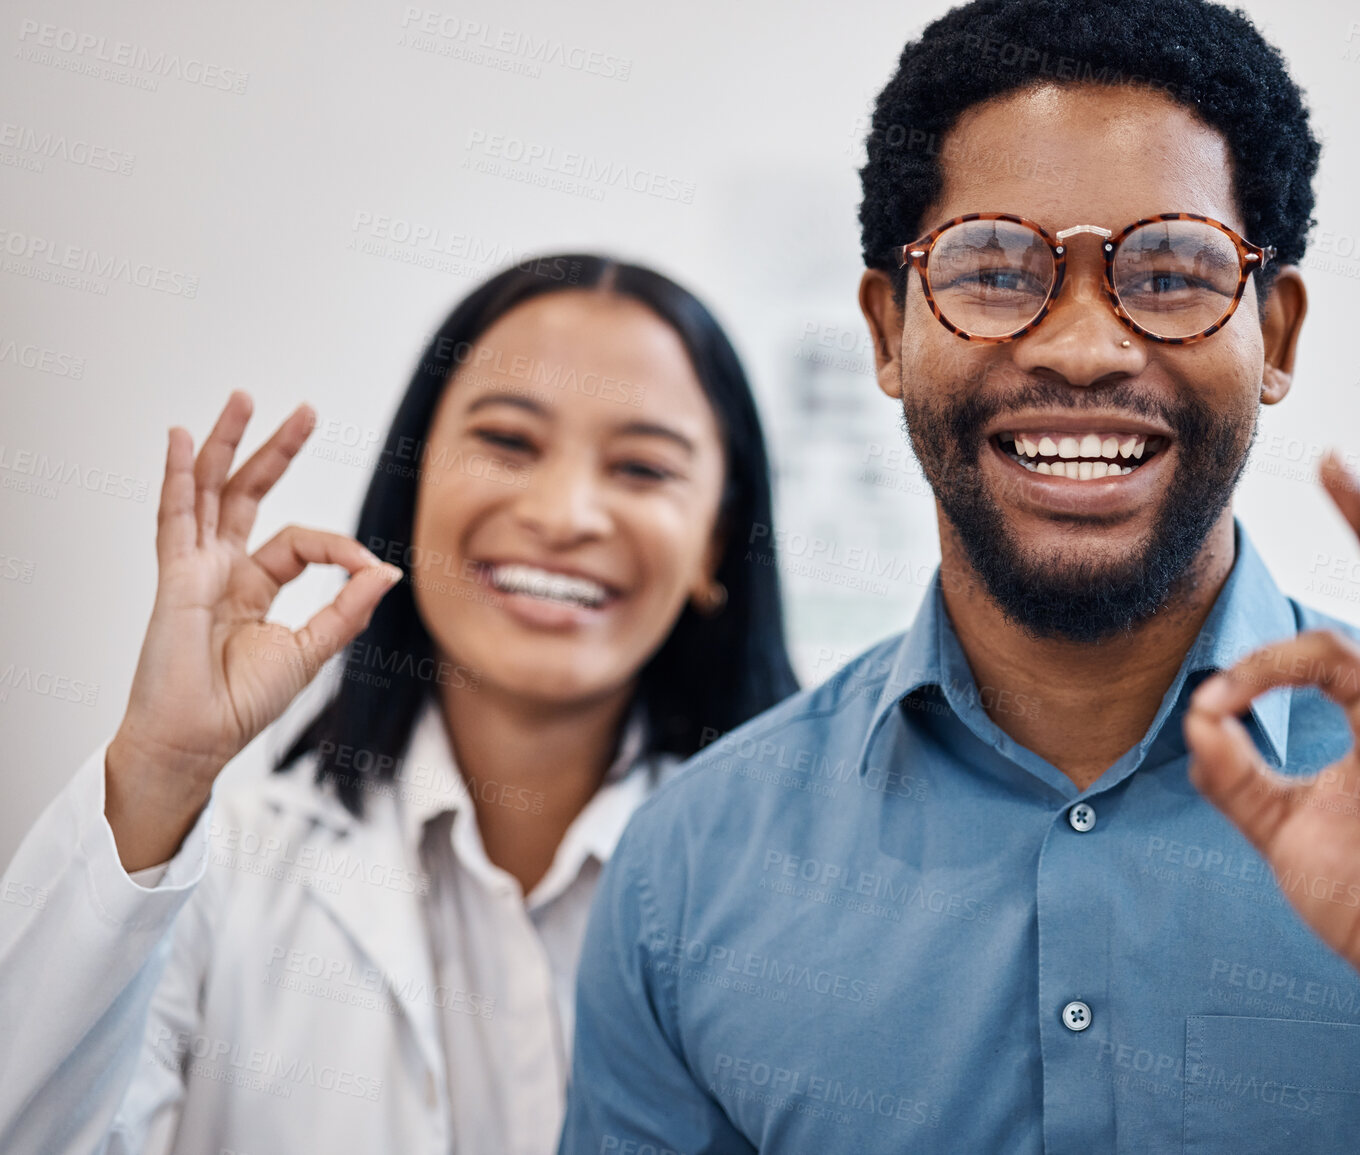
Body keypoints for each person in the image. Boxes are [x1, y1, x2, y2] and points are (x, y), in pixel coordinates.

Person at [559, 3, 1360, 1153]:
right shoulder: (689, 876)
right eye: (995, 269)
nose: (1081, 347)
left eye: (1170, 275)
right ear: (885, 333)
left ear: (1275, 337)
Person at [0, 254, 797, 1155]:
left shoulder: (791, 900)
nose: (565, 512)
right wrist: (156, 772)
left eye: (643, 468)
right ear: (413, 482)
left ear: (715, 543)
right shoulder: (223, 871)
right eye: (508, 441)